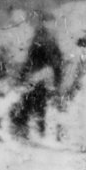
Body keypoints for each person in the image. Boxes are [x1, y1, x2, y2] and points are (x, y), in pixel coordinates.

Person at [12, 11, 64, 140]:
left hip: (41, 78)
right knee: (35, 104)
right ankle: (34, 131)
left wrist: (56, 81)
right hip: (41, 78)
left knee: (33, 103)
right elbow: (31, 61)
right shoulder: (44, 41)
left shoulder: (46, 42)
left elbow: (55, 64)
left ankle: (33, 131)